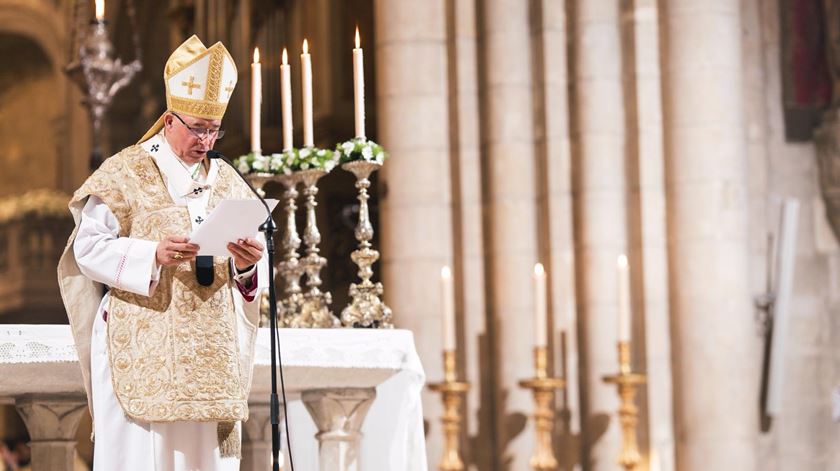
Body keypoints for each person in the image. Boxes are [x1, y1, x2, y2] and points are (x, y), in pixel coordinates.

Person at [57, 35, 267, 471]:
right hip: (144, 347)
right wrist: (151, 254)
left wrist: (247, 268)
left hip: (211, 356)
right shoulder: (125, 171)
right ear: (169, 120)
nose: (206, 140)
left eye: (214, 129)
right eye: (198, 128)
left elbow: (250, 275)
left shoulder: (229, 179)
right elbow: (87, 249)